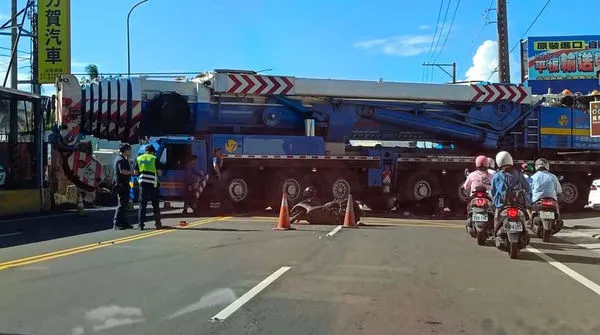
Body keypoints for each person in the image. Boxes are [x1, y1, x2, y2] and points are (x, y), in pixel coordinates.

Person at [490, 151, 532, 234]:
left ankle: (495, 233)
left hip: (501, 204)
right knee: (522, 218)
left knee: (497, 218)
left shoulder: (497, 175)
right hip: (517, 203)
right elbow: (528, 188)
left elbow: (493, 191)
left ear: (498, 162)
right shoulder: (519, 174)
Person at [134, 144, 163, 230]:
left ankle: (141, 225)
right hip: (153, 185)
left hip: (143, 184)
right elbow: (159, 173)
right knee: (155, 205)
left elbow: (135, 172)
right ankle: (158, 224)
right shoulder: (154, 159)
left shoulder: (139, 158)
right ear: (152, 152)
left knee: (142, 205)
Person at [112, 143, 133, 230]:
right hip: (121, 185)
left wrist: (128, 159)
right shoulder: (120, 159)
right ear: (125, 150)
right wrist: (131, 172)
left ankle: (123, 222)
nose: (130, 151)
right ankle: (116, 223)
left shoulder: (124, 159)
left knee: (124, 204)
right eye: (129, 150)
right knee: (121, 204)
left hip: (125, 184)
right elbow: (122, 171)